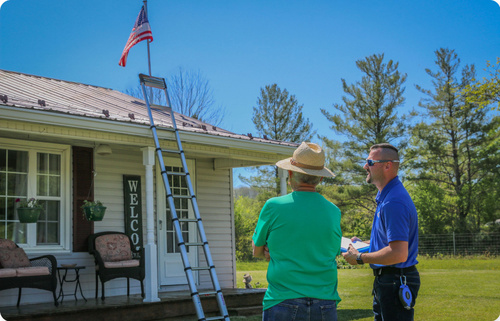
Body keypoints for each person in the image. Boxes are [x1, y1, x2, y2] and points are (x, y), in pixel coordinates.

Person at [252, 142, 342, 321]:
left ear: (290, 173)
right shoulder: (333, 211)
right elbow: (332, 251)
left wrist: (271, 251)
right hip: (325, 301)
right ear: (320, 178)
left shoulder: (273, 206)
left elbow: (257, 250)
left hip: (282, 300)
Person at [343, 143, 420, 321]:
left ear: (387, 165)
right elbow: (390, 243)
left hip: (395, 280)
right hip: (390, 280)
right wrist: (364, 245)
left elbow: (398, 253)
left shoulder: (393, 201)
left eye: (370, 162)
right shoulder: (388, 196)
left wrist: (360, 258)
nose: (365, 166)